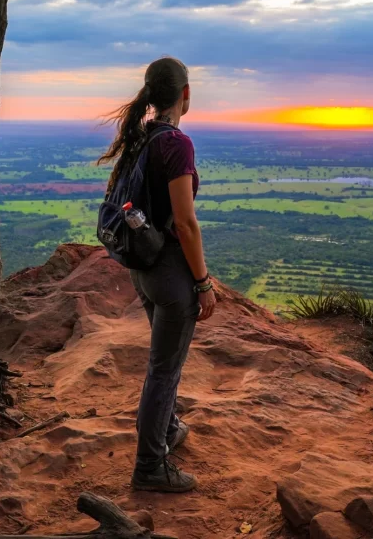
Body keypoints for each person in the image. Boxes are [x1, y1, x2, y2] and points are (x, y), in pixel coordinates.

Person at [98, 57, 216, 493]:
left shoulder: (141, 138)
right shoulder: (176, 144)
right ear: (186, 94)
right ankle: (150, 466)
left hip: (141, 269)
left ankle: (166, 431)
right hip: (169, 275)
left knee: (162, 364)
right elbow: (185, 223)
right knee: (163, 370)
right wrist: (203, 282)